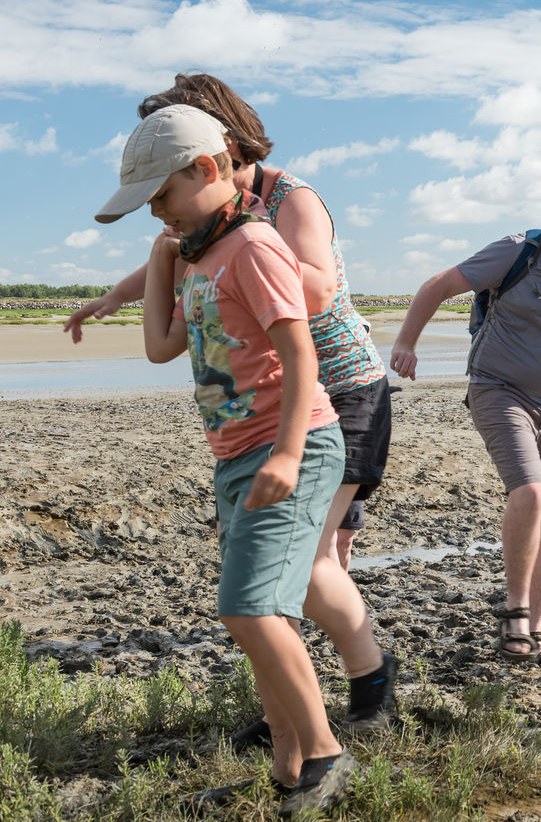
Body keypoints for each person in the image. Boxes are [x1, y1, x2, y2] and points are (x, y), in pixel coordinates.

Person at [65, 74, 396, 743]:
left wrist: (245, 252)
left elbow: (319, 288)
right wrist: (122, 292)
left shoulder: (283, 202)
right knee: (283, 568)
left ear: (223, 151)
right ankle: (293, 719)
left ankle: (370, 684)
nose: (167, 213)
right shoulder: (210, 230)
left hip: (339, 389)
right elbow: (178, 262)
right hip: (261, 405)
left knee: (306, 565)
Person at [95, 104, 357, 814]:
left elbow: (300, 351)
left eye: (162, 199)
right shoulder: (201, 256)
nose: (159, 217)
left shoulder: (254, 246)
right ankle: (285, 766)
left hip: (291, 447)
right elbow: (159, 344)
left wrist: (288, 452)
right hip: (236, 457)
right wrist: (160, 259)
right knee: (259, 612)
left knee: (248, 609)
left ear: (207, 169)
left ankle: (327, 752)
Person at [389, 187, 541, 666]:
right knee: (529, 491)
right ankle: (515, 618)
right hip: (498, 389)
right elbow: (437, 286)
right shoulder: (517, 251)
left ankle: (532, 635)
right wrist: (406, 342)